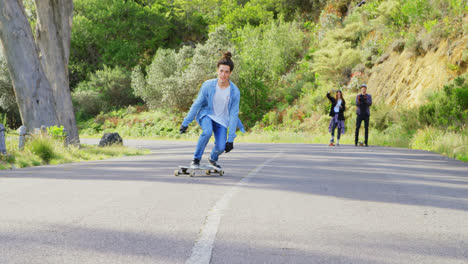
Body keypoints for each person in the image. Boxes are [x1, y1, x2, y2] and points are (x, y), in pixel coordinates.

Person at [179, 52, 245, 169]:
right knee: (207, 132)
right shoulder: (208, 85)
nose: (223, 75)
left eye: (226, 72)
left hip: (222, 121)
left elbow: (234, 115)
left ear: (230, 73)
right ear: (217, 70)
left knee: (220, 147)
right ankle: (196, 159)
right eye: (221, 71)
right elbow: (196, 104)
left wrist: (230, 139)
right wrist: (185, 123)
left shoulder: (234, 91)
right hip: (207, 115)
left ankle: (213, 158)